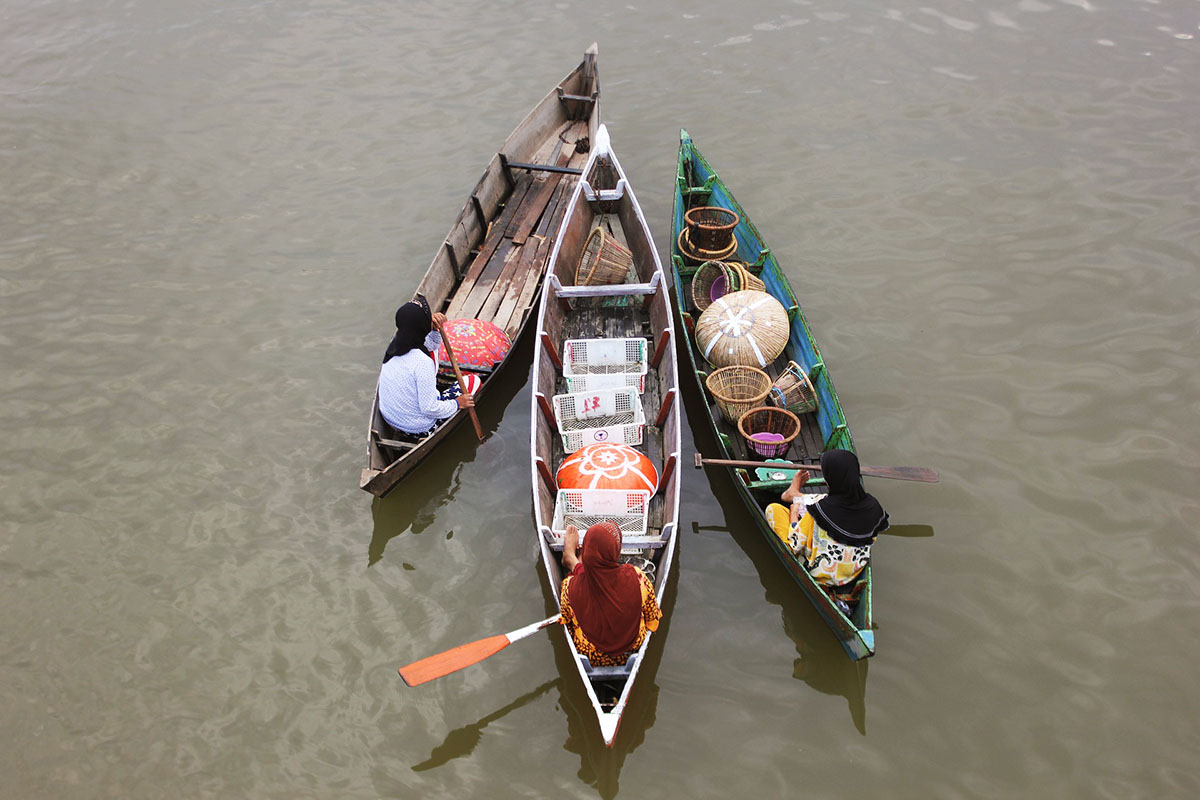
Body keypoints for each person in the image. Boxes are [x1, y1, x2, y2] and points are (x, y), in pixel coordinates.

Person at [765, 449, 889, 590]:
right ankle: (794, 494)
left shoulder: (819, 509)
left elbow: (795, 545)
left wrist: (793, 515)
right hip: (852, 574)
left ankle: (793, 496)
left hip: (820, 575)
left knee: (773, 509)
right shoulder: (874, 507)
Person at [559, 521, 662, 667]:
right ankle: (573, 561)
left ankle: (572, 559)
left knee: (576, 614)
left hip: (591, 654)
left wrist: (577, 564)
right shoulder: (638, 579)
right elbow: (653, 620)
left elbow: (568, 623)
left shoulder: (569, 588)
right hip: (632, 649)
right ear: (616, 551)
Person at [378, 299, 477, 435]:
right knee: (473, 381)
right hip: (420, 428)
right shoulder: (422, 362)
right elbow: (429, 408)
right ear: (422, 326)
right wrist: (457, 403)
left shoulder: (395, 347)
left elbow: (430, 345)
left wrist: (435, 330)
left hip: (392, 420)